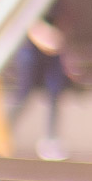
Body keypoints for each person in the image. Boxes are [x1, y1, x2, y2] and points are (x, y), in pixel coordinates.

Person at [10, 15, 78, 162]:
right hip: (32, 50)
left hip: (53, 52)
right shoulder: (33, 0)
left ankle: (51, 139)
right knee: (23, 95)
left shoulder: (59, 5)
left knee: (55, 94)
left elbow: (64, 26)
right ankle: (2, 133)